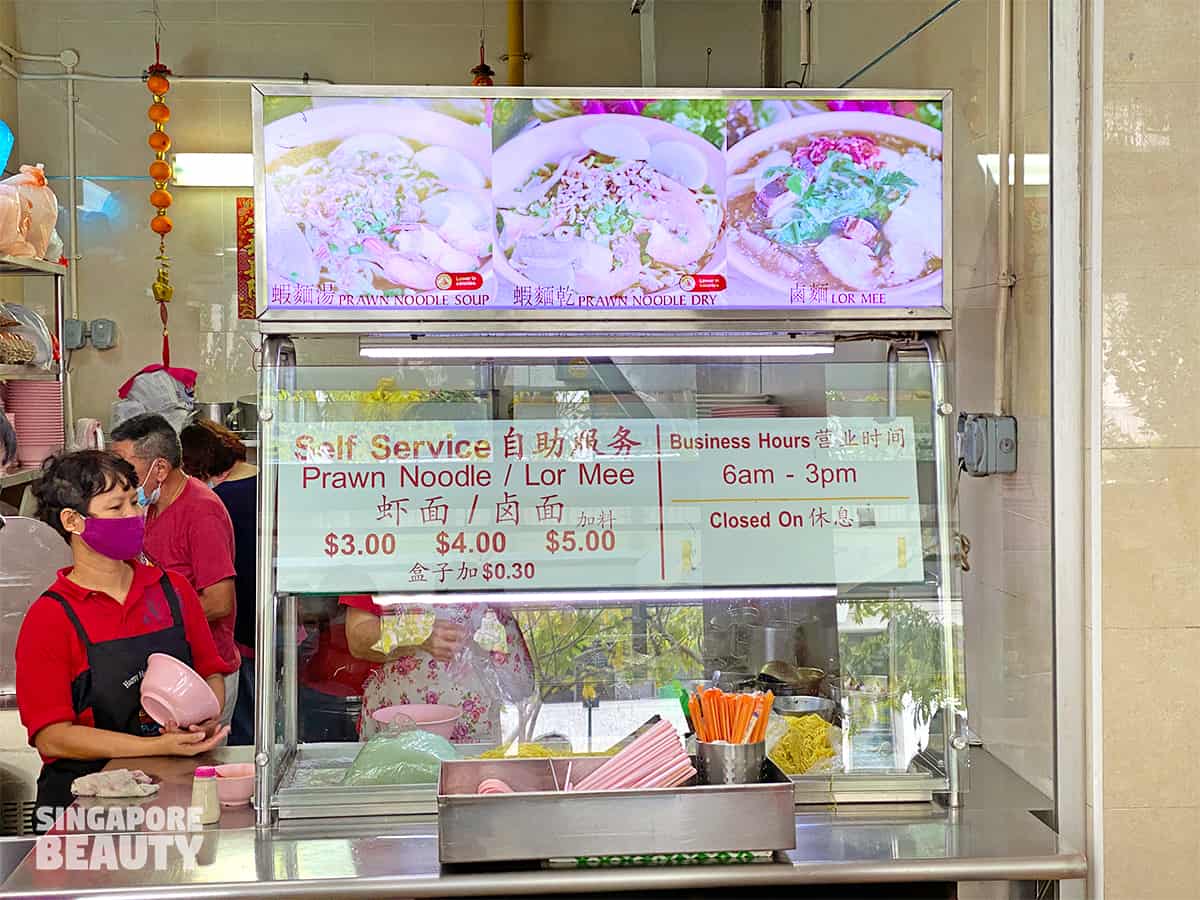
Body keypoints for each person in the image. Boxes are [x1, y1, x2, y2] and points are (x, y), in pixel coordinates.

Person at [15, 451, 232, 828]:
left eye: (135, 501)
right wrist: (154, 747)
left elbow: (211, 672)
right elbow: (52, 737)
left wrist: (204, 719)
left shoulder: (172, 591)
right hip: (82, 807)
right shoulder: (50, 617)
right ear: (73, 521)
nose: (133, 515)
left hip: (173, 794)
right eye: (116, 507)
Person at [110, 413, 240, 734]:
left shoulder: (201, 511)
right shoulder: (148, 508)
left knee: (195, 777)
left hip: (200, 674)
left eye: (126, 467)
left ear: (161, 468)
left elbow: (220, 601)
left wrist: (152, 624)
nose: (118, 476)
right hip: (163, 669)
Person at [342, 597, 534, 742]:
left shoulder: (485, 562)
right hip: (394, 726)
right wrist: (419, 633)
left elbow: (521, 684)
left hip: (473, 730)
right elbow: (358, 637)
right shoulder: (382, 555)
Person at [180, 418, 258, 746]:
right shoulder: (265, 478)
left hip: (243, 621)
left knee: (244, 723)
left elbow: (221, 590)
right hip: (281, 614)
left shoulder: (215, 502)